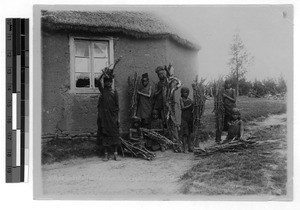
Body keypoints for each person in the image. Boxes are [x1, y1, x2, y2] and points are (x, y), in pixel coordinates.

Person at [97, 76, 121, 161]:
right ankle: (106, 154)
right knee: (105, 135)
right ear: (104, 83)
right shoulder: (103, 91)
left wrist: (118, 118)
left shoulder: (115, 92)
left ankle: (115, 154)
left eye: (110, 82)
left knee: (115, 135)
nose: (108, 83)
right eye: (106, 82)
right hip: (105, 118)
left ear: (112, 82)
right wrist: (103, 74)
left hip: (113, 117)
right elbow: (97, 81)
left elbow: (117, 107)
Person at [180, 87, 194, 153]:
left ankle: (189, 147)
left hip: (190, 118)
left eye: (187, 93)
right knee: (184, 134)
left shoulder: (190, 100)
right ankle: (184, 148)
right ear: (182, 93)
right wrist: (190, 105)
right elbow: (182, 108)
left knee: (189, 134)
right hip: (184, 118)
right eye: (185, 92)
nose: (186, 94)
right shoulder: (181, 99)